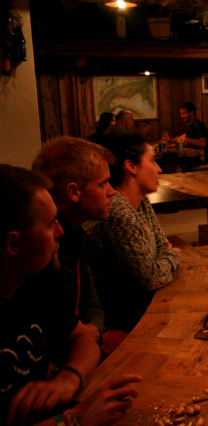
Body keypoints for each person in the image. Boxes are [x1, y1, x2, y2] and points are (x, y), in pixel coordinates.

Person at [0, 164, 141, 426]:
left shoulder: (32, 285)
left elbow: (84, 338)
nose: (60, 232)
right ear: (14, 244)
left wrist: (69, 378)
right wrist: (76, 420)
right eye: (50, 223)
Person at [85, 135, 181, 354]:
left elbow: (161, 244)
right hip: (124, 319)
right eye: (152, 161)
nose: (159, 169)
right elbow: (149, 278)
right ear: (131, 166)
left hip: (143, 305)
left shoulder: (140, 201)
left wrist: (164, 257)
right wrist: (174, 255)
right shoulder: (118, 211)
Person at [31, 137, 116, 344]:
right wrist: (88, 335)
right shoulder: (42, 248)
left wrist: (93, 330)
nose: (112, 191)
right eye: (103, 183)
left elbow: (92, 302)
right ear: (74, 192)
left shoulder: (78, 236)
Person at [167, 102, 208, 170]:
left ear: (191, 113)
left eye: (184, 113)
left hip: (200, 158)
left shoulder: (199, 125)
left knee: (179, 166)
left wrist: (185, 139)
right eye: (181, 114)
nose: (182, 116)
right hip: (192, 156)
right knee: (173, 162)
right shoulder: (190, 126)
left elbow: (203, 143)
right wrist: (171, 140)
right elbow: (186, 143)